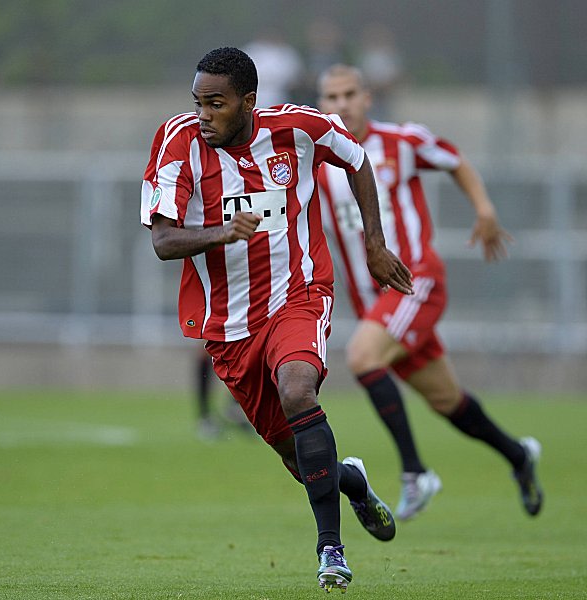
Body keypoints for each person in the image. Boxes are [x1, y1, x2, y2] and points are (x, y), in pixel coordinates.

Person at [141, 47, 414, 592]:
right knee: (297, 454)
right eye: (198, 102)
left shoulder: (297, 128)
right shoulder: (178, 142)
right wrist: (222, 231)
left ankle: (330, 550)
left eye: (216, 104)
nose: (203, 114)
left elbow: (357, 159)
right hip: (228, 325)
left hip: (299, 294)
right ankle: (352, 484)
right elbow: (164, 240)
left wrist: (374, 244)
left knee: (297, 391)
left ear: (248, 102)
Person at [315, 64, 544, 521]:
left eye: (349, 94)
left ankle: (415, 473)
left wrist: (484, 209)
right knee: (446, 400)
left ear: (367, 97)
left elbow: (455, 161)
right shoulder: (319, 161)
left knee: (362, 357)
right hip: (375, 301)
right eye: (331, 97)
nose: (341, 104)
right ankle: (519, 455)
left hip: (416, 280)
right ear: (323, 104)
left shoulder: (401, 141)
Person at [243, 31, 304, 109]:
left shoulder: (287, 54)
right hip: (253, 97)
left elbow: (295, 80)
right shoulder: (252, 51)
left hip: (279, 97)